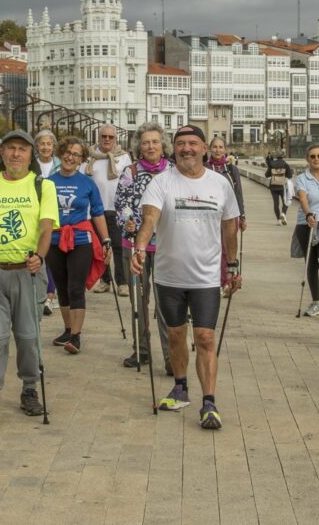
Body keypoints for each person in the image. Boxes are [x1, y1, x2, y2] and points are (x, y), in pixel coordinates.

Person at [131, 125, 241, 430]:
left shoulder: (220, 184)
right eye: (180, 144)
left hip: (206, 276)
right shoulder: (161, 183)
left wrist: (232, 266)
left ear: (205, 148)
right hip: (169, 276)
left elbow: (230, 227)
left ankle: (209, 403)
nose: (186, 148)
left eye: (193, 143)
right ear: (173, 149)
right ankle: (180, 387)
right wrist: (139, 247)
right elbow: (150, 218)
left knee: (205, 337)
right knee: (177, 336)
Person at [0, 130, 59, 432]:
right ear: (1, 154)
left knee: (28, 338)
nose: (16, 154)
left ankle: (29, 387)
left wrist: (40, 256)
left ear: (31, 155)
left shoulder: (42, 186)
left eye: (22, 149)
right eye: (10, 149)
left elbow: (46, 228)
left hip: (27, 271)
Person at [115, 121, 173, 371]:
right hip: (135, 245)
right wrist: (127, 221)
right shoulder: (131, 172)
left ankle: (172, 355)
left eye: (155, 141)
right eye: (146, 142)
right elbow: (121, 202)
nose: (150, 146)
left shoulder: (173, 170)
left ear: (163, 145)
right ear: (139, 146)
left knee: (166, 303)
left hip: (167, 246)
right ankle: (142, 350)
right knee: (139, 301)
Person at [47, 136, 111, 355]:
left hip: (81, 239)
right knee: (61, 286)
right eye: (67, 152)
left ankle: (76, 336)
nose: (70, 157)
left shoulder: (88, 183)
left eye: (76, 154)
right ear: (60, 153)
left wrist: (106, 239)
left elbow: (98, 212)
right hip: (54, 239)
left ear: (81, 159)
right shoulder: (48, 182)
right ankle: (67, 329)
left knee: (76, 286)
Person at [83, 124, 132, 296]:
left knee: (118, 247)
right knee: (102, 247)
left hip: (116, 209)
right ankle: (104, 280)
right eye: (104, 136)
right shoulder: (90, 158)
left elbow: (129, 183)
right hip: (97, 211)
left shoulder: (124, 157)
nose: (107, 140)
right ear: (99, 137)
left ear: (115, 139)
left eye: (111, 137)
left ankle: (122, 282)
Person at [295, 144, 319, 318]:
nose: (316, 159)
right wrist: (309, 213)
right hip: (306, 224)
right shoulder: (302, 178)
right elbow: (303, 198)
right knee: (311, 264)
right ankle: (316, 302)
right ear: (307, 159)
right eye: (312, 156)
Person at [34, 129, 59, 315]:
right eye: (42, 143)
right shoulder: (31, 164)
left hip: (55, 211)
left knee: (51, 254)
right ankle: (43, 293)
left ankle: (50, 295)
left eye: (49, 144)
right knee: (40, 253)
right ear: (36, 146)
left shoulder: (59, 164)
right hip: (34, 212)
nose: (45, 147)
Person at [264, 153, 293, 225]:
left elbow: (266, 175)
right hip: (282, 186)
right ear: (283, 157)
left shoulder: (272, 164)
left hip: (273, 186)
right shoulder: (285, 164)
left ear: (277, 157)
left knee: (276, 203)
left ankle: (278, 220)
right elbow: (289, 175)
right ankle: (283, 213)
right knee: (285, 201)